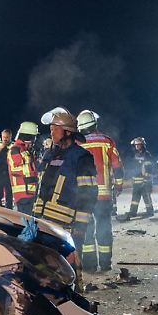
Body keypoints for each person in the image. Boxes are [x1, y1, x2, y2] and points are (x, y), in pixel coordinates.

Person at [33, 110, 97, 287]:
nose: (51, 132)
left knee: (70, 270)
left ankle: (76, 301)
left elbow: (88, 194)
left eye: (55, 128)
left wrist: (80, 226)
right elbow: (42, 189)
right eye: (51, 128)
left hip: (67, 226)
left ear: (68, 131)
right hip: (44, 223)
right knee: (44, 269)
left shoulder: (82, 157)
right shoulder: (49, 155)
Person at [78, 110, 122, 272]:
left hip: (84, 196)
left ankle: (89, 265)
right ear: (95, 124)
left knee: (87, 229)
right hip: (103, 195)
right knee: (104, 227)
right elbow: (117, 166)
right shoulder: (106, 141)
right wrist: (119, 184)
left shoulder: (77, 143)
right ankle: (105, 263)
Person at [7, 121, 40, 215]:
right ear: (28, 136)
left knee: (31, 222)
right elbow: (19, 161)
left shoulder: (25, 149)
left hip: (30, 192)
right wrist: (32, 157)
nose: (34, 140)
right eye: (34, 137)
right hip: (22, 194)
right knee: (25, 223)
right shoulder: (15, 149)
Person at [124, 137, 155, 218]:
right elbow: (134, 167)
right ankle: (133, 212)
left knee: (146, 196)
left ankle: (150, 211)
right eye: (136, 145)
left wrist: (146, 179)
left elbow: (150, 167)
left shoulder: (147, 154)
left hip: (145, 180)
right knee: (135, 197)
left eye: (138, 145)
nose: (137, 146)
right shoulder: (135, 154)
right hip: (136, 180)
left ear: (142, 145)